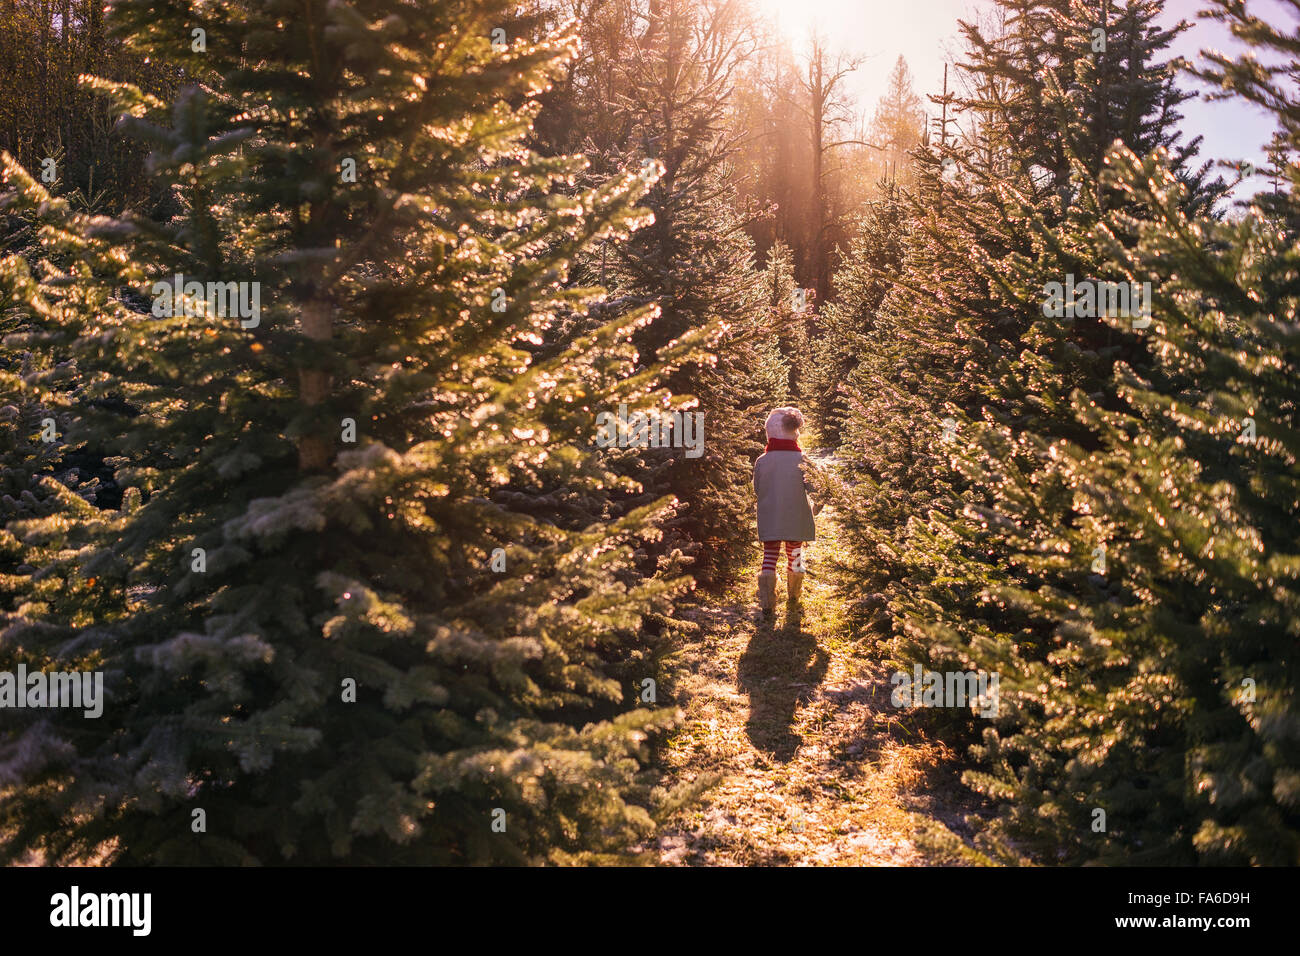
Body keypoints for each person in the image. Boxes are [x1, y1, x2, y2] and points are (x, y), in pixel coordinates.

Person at [753, 406, 819, 615]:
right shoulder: (803, 460)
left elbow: (757, 489)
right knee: (796, 554)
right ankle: (794, 595)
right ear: (794, 433)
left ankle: (766, 602)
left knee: (769, 555)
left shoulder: (762, 461)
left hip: (771, 515)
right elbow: (815, 487)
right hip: (796, 517)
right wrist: (818, 505)